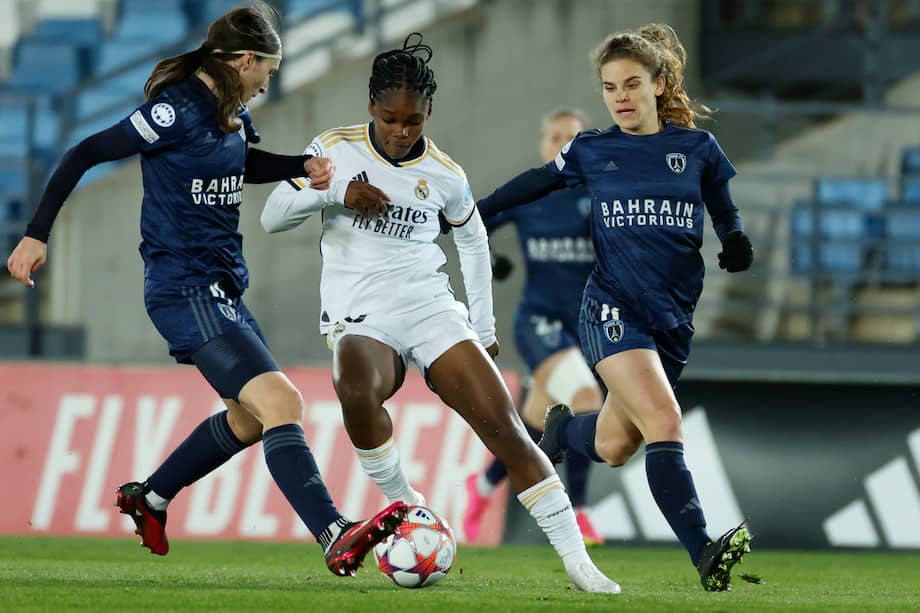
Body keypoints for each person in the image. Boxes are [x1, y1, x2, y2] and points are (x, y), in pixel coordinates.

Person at [5, 3, 406, 577]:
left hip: (221, 286)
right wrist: (36, 234)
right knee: (282, 404)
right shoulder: (175, 110)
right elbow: (84, 152)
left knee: (248, 419)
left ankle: (150, 497)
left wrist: (300, 165)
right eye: (268, 69)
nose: (268, 81)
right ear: (244, 60)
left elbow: (237, 164)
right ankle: (334, 533)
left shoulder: (230, 111)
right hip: (183, 285)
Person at [261, 33, 620, 594]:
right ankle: (408, 505)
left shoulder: (446, 174)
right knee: (355, 386)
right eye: (390, 119)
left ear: (428, 112)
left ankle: (580, 564)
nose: (401, 131)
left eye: (413, 120)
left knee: (507, 431)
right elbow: (273, 215)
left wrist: (483, 327)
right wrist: (334, 193)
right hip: (362, 314)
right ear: (372, 107)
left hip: (431, 309)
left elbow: (472, 241)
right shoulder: (334, 149)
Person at [477, 23, 754, 592]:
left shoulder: (696, 149)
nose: (620, 97)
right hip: (611, 308)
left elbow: (723, 206)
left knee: (613, 443)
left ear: (658, 84)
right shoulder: (592, 149)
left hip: (672, 318)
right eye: (609, 87)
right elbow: (536, 182)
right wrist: (475, 211)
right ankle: (704, 551)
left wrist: (734, 238)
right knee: (665, 420)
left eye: (631, 84)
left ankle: (561, 432)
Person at [462, 109, 604, 546]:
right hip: (538, 321)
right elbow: (471, 222)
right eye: (555, 137)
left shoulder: (600, 194)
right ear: (543, 146)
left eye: (572, 137)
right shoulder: (530, 193)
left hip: (587, 325)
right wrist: (491, 259)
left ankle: (482, 485)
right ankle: (579, 510)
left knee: (535, 425)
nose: (563, 144)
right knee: (587, 402)